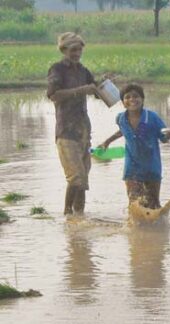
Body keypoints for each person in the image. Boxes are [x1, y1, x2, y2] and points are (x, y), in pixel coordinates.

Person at [98, 84, 170, 209]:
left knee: (153, 203)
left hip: (151, 166)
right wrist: (107, 141)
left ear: (143, 99)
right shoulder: (120, 118)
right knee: (134, 202)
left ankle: (156, 225)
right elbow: (123, 131)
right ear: (123, 102)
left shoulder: (152, 117)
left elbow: (163, 138)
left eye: (136, 96)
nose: (132, 100)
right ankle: (135, 227)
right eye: (127, 97)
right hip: (132, 167)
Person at [47, 32, 100, 215]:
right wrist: (81, 90)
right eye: (73, 50)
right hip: (66, 131)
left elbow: (97, 90)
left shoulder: (83, 70)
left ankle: (79, 217)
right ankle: (67, 213)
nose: (77, 53)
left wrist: (104, 86)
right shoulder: (57, 70)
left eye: (79, 49)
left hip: (83, 129)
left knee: (83, 178)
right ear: (64, 50)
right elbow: (54, 95)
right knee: (76, 178)